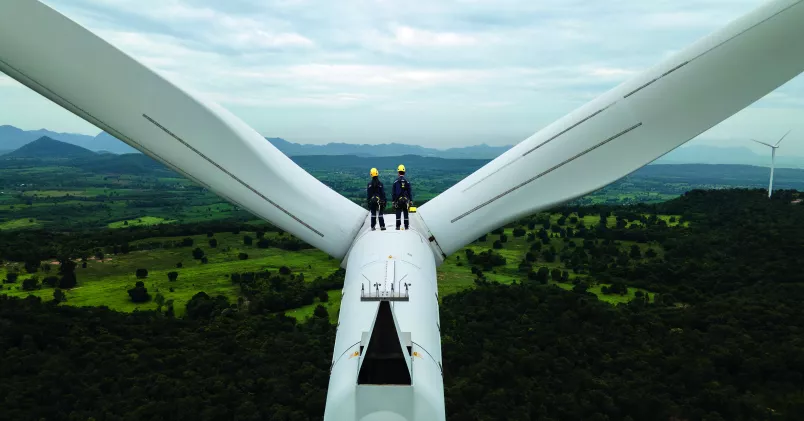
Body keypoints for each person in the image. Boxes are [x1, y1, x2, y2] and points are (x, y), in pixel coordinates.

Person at [392, 164, 413, 230]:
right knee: (406, 213)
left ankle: (398, 226)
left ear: (398, 172)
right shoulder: (407, 181)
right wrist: (411, 200)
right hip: (406, 200)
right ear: (404, 172)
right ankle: (406, 226)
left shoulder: (395, 182)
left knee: (398, 213)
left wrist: (393, 201)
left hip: (398, 201)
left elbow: (394, 193)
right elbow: (409, 192)